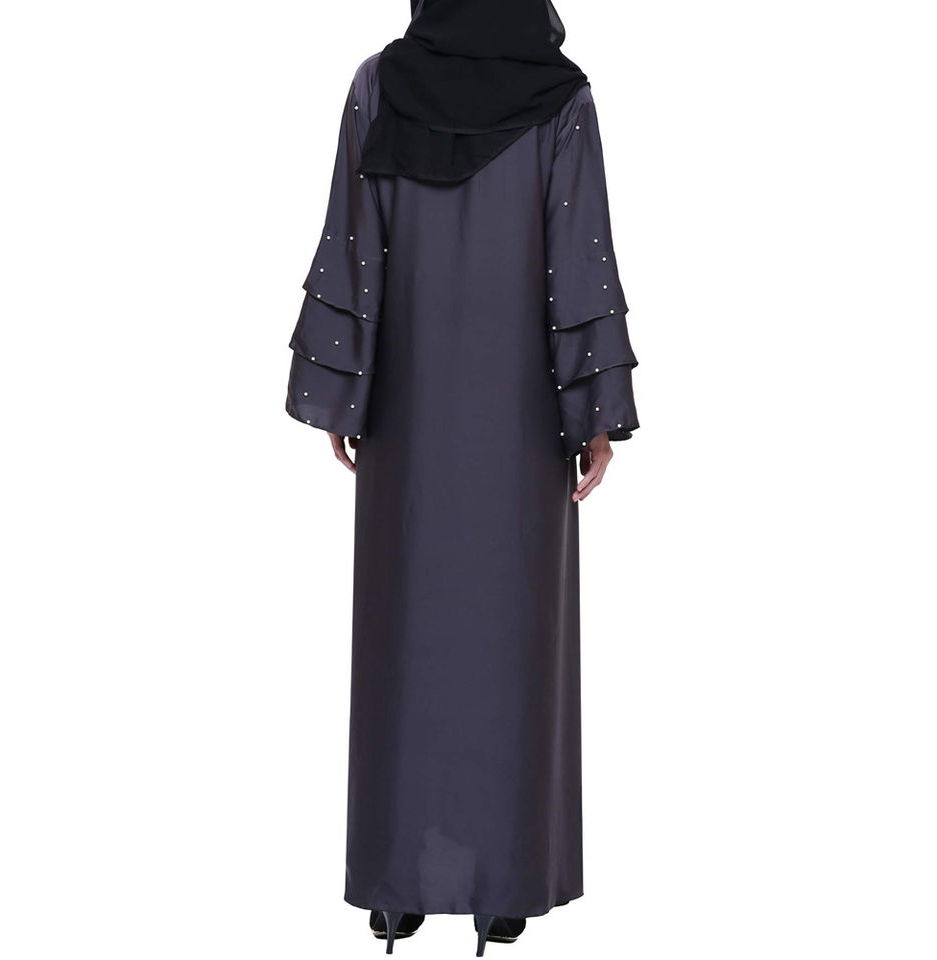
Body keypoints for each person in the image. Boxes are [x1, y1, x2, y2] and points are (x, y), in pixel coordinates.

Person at [285, 0, 639, 953]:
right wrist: (593, 412)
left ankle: (397, 886)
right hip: (521, 421)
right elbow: (578, 256)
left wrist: (345, 390)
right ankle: (503, 883)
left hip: (408, 415)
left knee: (406, 639)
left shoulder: (379, 84)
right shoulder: (562, 98)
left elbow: (354, 243)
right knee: (510, 641)